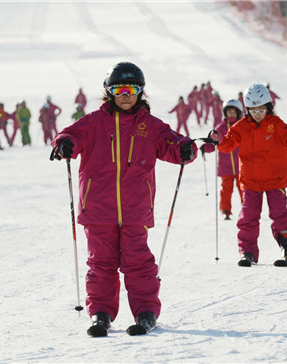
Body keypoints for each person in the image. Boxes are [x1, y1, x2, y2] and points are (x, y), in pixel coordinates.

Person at [49, 62, 197, 337]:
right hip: (98, 208)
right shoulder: (94, 122)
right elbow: (71, 134)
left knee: (138, 262)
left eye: (131, 89)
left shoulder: (150, 126)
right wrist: (64, 142)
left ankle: (145, 312)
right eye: (119, 89)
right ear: (109, 92)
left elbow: (172, 144)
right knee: (101, 263)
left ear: (141, 92)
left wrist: (185, 148)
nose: (125, 95)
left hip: (136, 209)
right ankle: (100, 314)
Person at [217, 84, 287, 267]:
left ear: (268, 107)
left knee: (280, 214)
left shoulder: (277, 125)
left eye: (261, 110)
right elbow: (227, 145)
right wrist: (218, 139)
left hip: (275, 180)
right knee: (248, 217)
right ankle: (247, 252)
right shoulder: (241, 127)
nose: (258, 114)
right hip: (250, 181)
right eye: (254, 110)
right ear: (248, 110)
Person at [202, 99, 243, 220]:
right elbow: (213, 143)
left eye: (233, 112)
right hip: (225, 166)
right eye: (229, 112)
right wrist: (206, 147)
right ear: (225, 113)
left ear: (238, 113)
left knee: (243, 188)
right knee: (226, 189)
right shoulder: (220, 127)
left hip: (241, 165)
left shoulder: (241, 126)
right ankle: (226, 210)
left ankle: (247, 207)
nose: (231, 114)